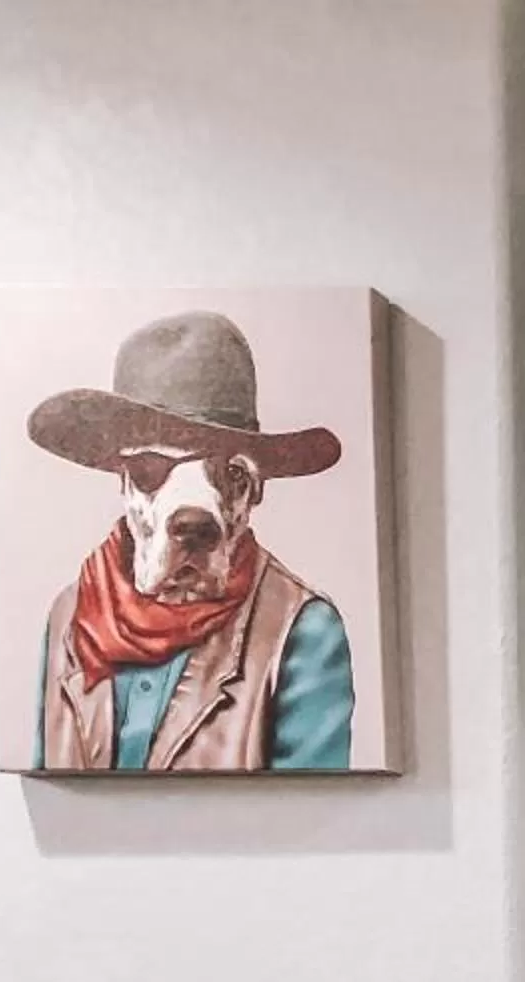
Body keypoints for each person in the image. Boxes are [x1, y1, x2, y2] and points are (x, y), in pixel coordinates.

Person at [27, 309, 353, 772]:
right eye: (150, 470)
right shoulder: (69, 616)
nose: (194, 517)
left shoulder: (303, 632)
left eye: (229, 475)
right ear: (122, 480)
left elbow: (316, 820)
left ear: (254, 493)